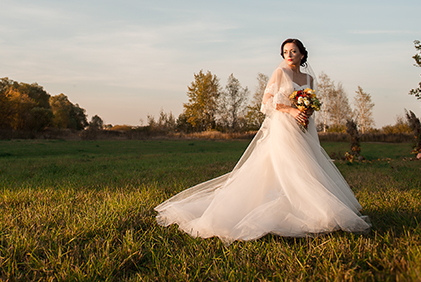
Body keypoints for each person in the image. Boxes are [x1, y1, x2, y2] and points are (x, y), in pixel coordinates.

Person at [155, 38, 370, 242]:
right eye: (285, 52)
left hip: (304, 128)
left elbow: (311, 105)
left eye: (293, 51)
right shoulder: (280, 73)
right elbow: (265, 103)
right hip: (283, 127)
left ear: (302, 54)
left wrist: (306, 113)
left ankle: (311, 208)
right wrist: (291, 111)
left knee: (309, 165)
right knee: (288, 166)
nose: (289, 55)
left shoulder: (309, 79)